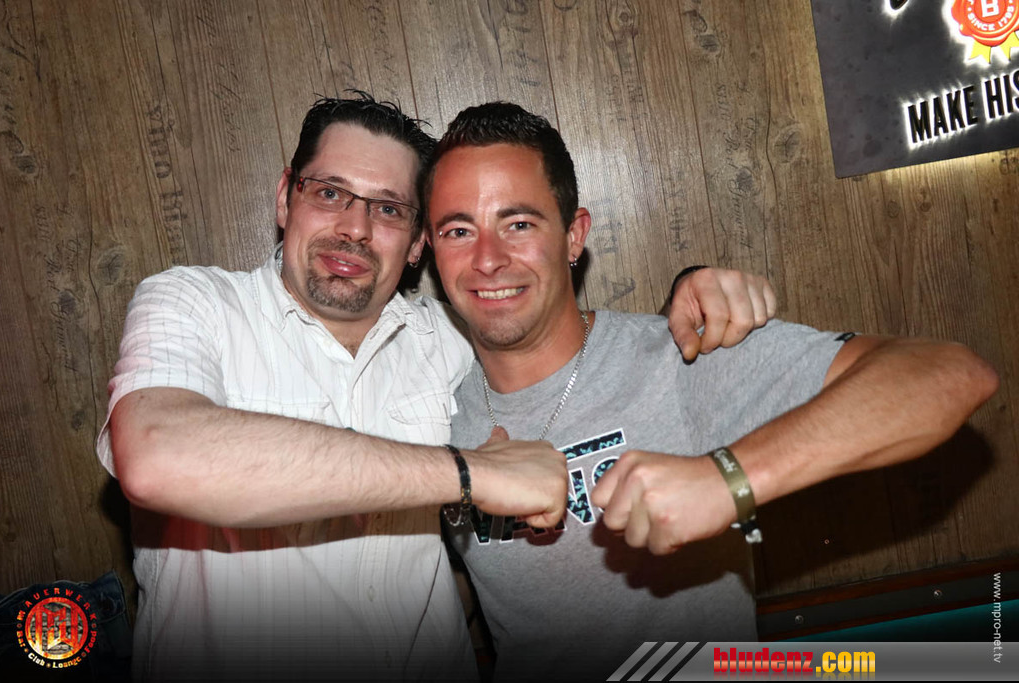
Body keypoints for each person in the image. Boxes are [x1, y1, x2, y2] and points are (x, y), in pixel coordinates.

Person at [95, 93, 774, 681]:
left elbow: (548, 323)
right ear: (284, 197)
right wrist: (469, 473)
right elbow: (156, 456)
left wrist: (693, 293)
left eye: (389, 209)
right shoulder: (194, 305)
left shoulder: (446, 342)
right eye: (329, 193)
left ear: (418, 241)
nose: (354, 228)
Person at [426, 102, 999, 682]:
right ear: (430, 249)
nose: (488, 259)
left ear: (574, 236)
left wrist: (728, 479)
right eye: (458, 231)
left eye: (519, 224)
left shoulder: (679, 359)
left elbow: (948, 375)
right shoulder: (433, 412)